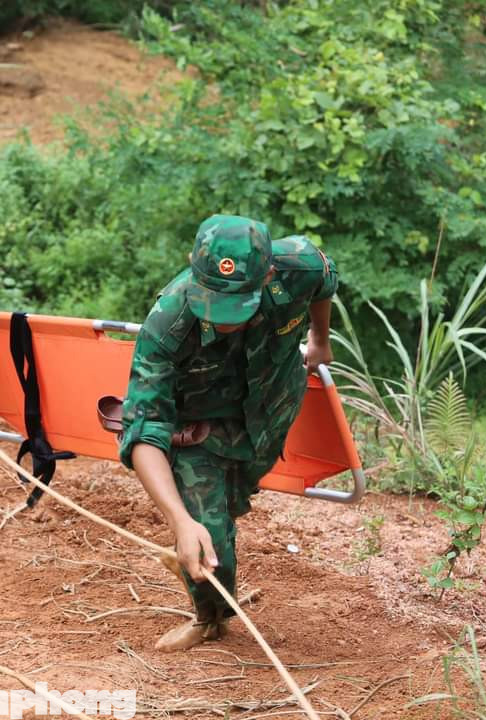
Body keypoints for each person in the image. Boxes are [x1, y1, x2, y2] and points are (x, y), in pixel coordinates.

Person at [119, 214, 337, 651]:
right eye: (212, 303)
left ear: (270, 274)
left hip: (272, 410)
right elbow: (144, 430)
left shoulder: (299, 265)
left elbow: (325, 281)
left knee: (230, 505)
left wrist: (320, 337)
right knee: (205, 526)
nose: (223, 321)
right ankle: (211, 618)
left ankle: (209, 540)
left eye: (236, 306)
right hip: (201, 427)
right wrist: (179, 520)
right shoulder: (167, 323)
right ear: (190, 265)